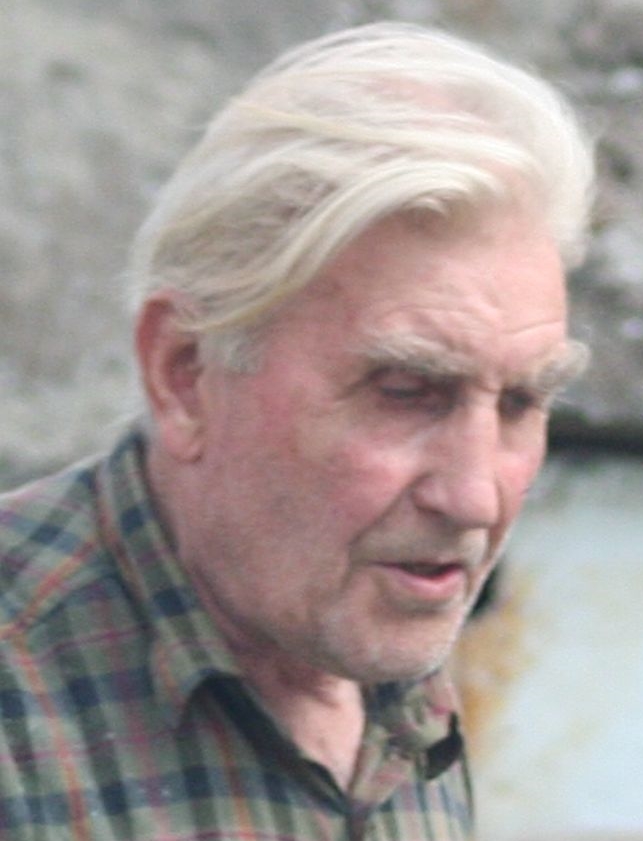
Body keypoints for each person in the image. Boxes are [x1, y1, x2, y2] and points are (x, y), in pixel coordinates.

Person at [0, 21, 594, 841]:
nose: (474, 497)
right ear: (185, 373)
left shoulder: (381, 651)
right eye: (405, 392)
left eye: (521, 402)